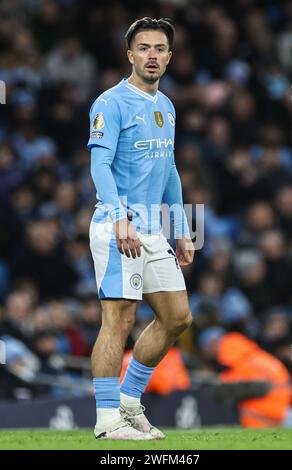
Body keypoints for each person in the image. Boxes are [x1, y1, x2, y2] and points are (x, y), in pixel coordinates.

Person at [87, 18, 194, 440]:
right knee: (119, 318)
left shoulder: (166, 106)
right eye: (144, 48)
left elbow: (168, 169)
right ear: (130, 55)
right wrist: (117, 217)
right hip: (118, 227)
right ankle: (107, 419)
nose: (152, 55)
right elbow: (99, 164)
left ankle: (130, 401)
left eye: (160, 49)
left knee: (177, 318)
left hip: (153, 230)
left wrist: (182, 228)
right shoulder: (110, 103)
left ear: (169, 57)